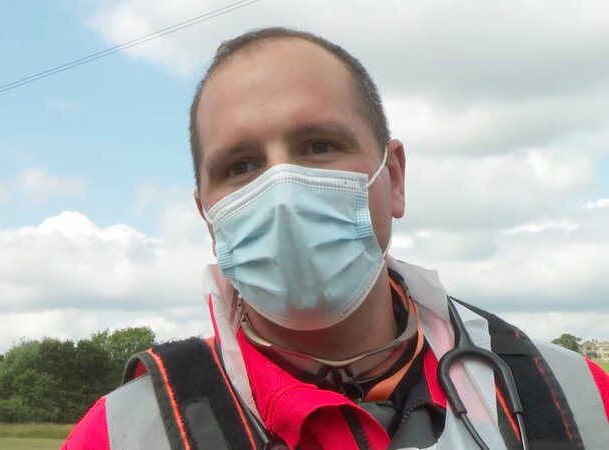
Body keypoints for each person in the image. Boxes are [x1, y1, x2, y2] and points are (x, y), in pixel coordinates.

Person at [62, 27, 609, 450]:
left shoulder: (574, 399)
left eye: (318, 145)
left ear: (393, 177)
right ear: (209, 217)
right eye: (240, 165)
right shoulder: (124, 433)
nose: (282, 190)